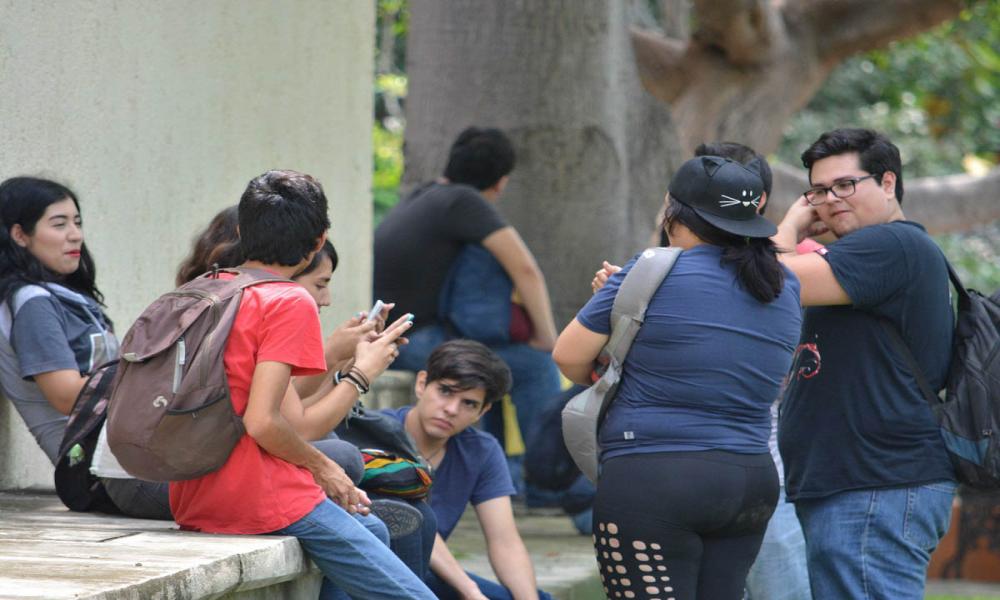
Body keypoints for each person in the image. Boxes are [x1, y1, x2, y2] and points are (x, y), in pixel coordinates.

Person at [167, 170, 435, 599]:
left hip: (195, 493)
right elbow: (264, 421)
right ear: (318, 240)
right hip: (261, 494)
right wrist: (325, 467)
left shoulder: (211, 288)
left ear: (243, 232)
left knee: (372, 528)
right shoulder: (288, 299)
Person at [554, 156, 803, 600]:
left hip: (654, 479)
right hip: (751, 481)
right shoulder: (784, 285)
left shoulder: (651, 271)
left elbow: (568, 357)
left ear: (675, 214)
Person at [773, 128, 956, 599]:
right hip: (860, 484)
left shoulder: (891, 245)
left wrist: (791, 225)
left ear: (888, 182)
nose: (830, 200)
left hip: (875, 485)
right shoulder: (867, 254)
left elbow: (772, 282)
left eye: (845, 184)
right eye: (818, 191)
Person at [373, 127, 560, 488]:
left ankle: (506, 476)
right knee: (535, 366)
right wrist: (546, 339)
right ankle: (551, 486)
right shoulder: (463, 201)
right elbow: (526, 270)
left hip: (399, 333)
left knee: (491, 364)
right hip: (415, 339)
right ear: (501, 182)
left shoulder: (423, 195)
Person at [0, 176, 171, 520]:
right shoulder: (33, 304)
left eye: (77, 222)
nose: (75, 234)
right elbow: (66, 396)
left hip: (130, 451)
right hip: (102, 468)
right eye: (59, 224)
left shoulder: (67, 298)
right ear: (20, 235)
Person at [386, 340, 552, 600]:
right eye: (445, 391)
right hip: (377, 569)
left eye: (469, 403)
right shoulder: (378, 432)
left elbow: (504, 541)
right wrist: (470, 591)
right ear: (422, 384)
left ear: (482, 411)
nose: (451, 409)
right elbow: (414, 528)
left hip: (432, 574)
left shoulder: (480, 450)